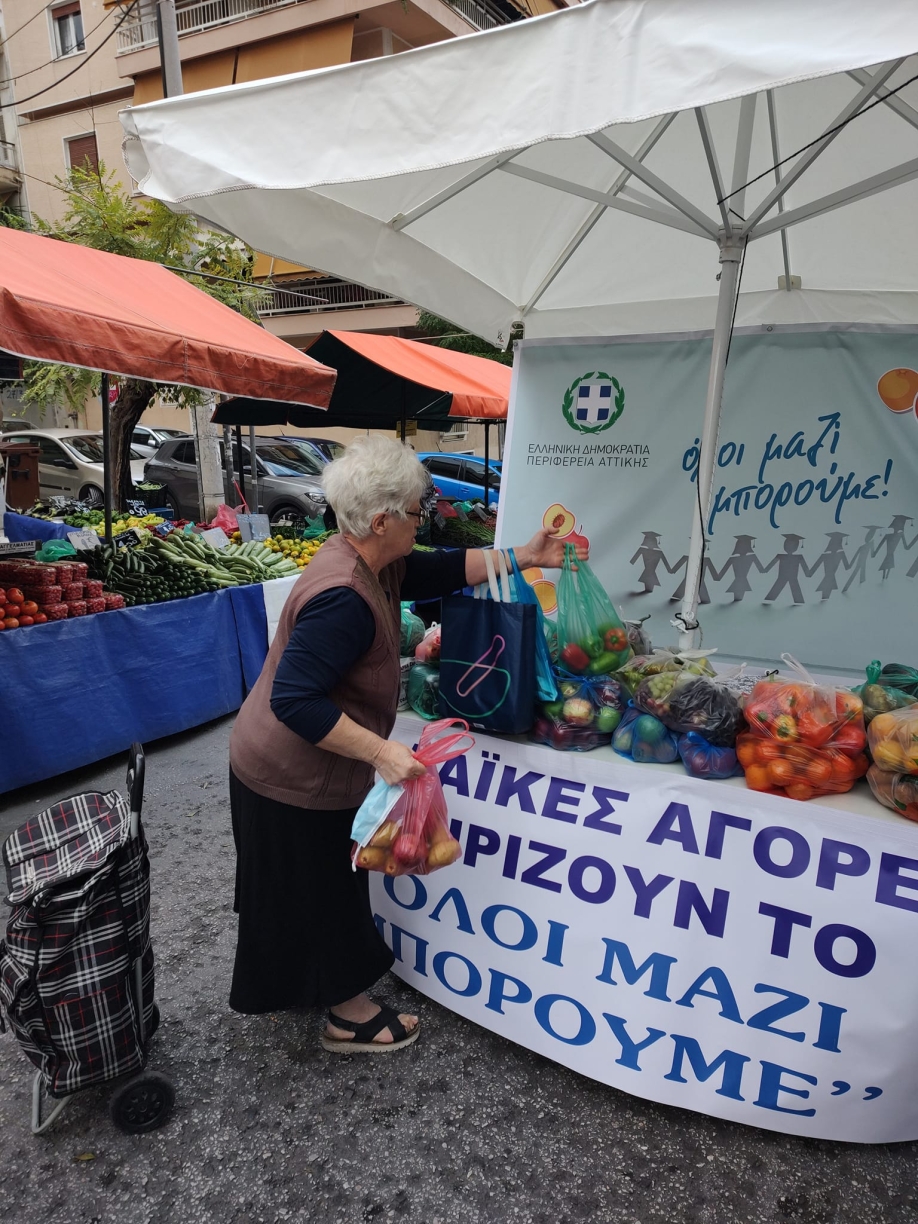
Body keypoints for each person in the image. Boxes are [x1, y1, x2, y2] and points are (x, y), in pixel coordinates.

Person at [229, 436, 588, 1053]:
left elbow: (440, 568)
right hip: (289, 771)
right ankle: (348, 1016)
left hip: (286, 762)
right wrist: (382, 752)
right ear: (381, 519)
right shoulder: (343, 595)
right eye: (418, 512)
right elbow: (295, 700)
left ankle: (305, 984)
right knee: (322, 888)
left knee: (295, 887)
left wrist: (525, 555)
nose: (425, 521)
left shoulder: (373, 559)